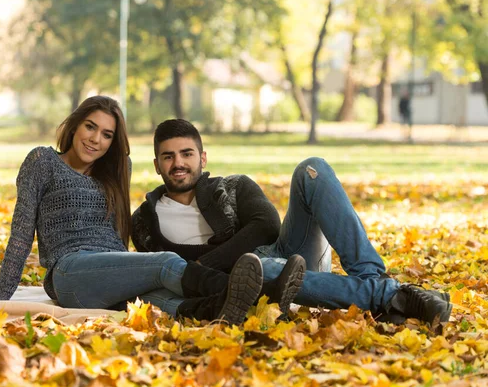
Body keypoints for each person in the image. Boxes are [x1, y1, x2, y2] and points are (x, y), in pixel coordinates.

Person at [0, 96, 303, 325]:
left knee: (160, 298)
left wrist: (130, 271)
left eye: (107, 135)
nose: (95, 139)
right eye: (90, 127)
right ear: (75, 125)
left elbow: (116, 237)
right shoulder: (42, 162)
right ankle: (265, 295)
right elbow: (20, 236)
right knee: (167, 263)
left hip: (110, 269)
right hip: (70, 273)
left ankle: (220, 312)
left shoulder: (116, 169)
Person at [132, 118, 453, 324]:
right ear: (157, 165)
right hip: (245, 284)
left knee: (312, 169)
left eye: (186, 154)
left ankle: (374, 282)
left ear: (202, 158)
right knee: (264, 268)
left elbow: (267, 226)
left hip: (287, 251)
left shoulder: (233, 186)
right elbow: (161, 275)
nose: (179, 164)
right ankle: (390, 296)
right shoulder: (146, 221)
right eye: (168, 156)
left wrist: (205, 263)